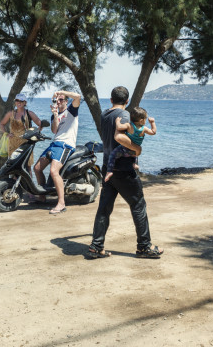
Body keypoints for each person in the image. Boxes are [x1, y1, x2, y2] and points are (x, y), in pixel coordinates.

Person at [88, 86, 164, 259]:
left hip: (108, 166)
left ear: (111, 100)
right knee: (138, 205)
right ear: (127, 101)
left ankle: (96, 246)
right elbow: (119, 137)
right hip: (123, 169)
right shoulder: (123, 115)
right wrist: (137, 149)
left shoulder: (105, 115)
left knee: (104, 209)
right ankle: (144, 247)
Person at [33, 90, 81, 214]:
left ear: (66, 101)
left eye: (61, 100)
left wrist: (61, 92)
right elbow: (54, 130)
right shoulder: (55, 114)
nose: (58, 102)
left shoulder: (71, 111)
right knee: (37, 168)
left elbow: (78, 97)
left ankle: (61, 203)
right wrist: (55, 114)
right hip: (55, 144)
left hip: (66, 145)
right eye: (56, 100)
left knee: (54, 171)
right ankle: (42, 196)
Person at [104, 107, 157, 182]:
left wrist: (117, 121)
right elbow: (153, 132)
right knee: (134, 150)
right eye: (146, 118)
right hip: (134, 152)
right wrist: (152, 122)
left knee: (112, 155)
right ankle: (134, 163)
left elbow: (119, 127)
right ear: (141, 120)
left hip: (124, 149)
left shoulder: (129, 125)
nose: (146, 120)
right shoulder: (144, 129)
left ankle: (109, 171)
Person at [0, 93, 42, 168]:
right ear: (15, 102)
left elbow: (40, 124)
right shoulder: (10, 114)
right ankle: (13, 180)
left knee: (27, 166)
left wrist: (35, 134)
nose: (19, 103)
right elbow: (1, 124)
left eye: (21, 101)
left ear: (25, 103)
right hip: (13, 143)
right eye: (17, 100)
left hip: (26, 143)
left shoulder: (29, 113)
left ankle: (28, 180)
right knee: (13, 167)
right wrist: (6, 133)